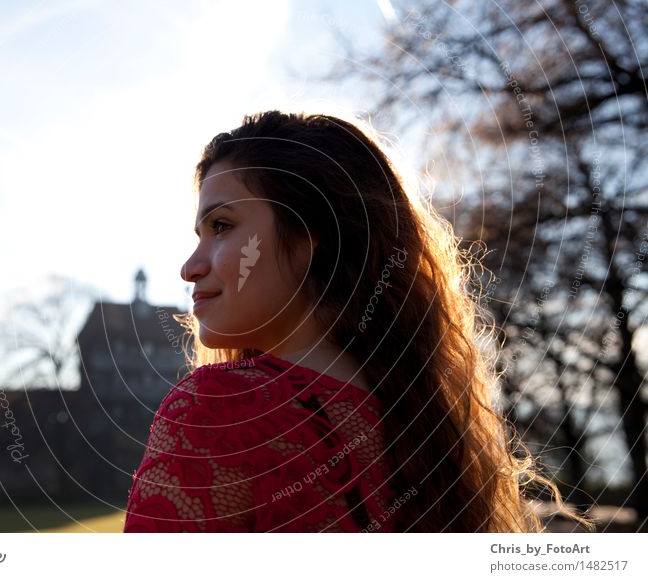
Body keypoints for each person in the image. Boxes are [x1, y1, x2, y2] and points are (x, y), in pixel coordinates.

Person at [123, 110, 588, 532]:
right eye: (199, 234)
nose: (189, 268)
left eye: (221, 226)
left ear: (311, 236)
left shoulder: (218, 409)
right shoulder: (427, 433)